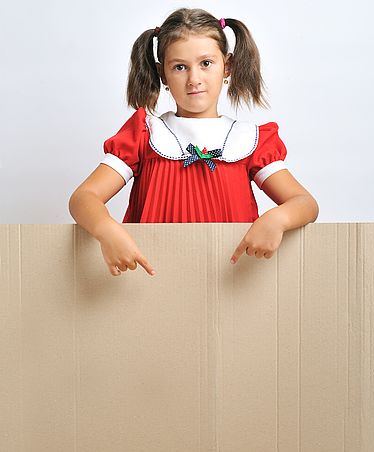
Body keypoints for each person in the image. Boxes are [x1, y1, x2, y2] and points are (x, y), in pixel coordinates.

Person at [68, 8, 319, 277]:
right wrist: (106, 230)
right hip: (152, 280)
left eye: (206, 63)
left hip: (230, 281)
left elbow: (305, 203)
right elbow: (84, 197)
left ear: (228, 66)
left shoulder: (250, 140)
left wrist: (278, 219)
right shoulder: (145, 134)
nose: (194, 79)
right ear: (162, 73)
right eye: (179, 67)